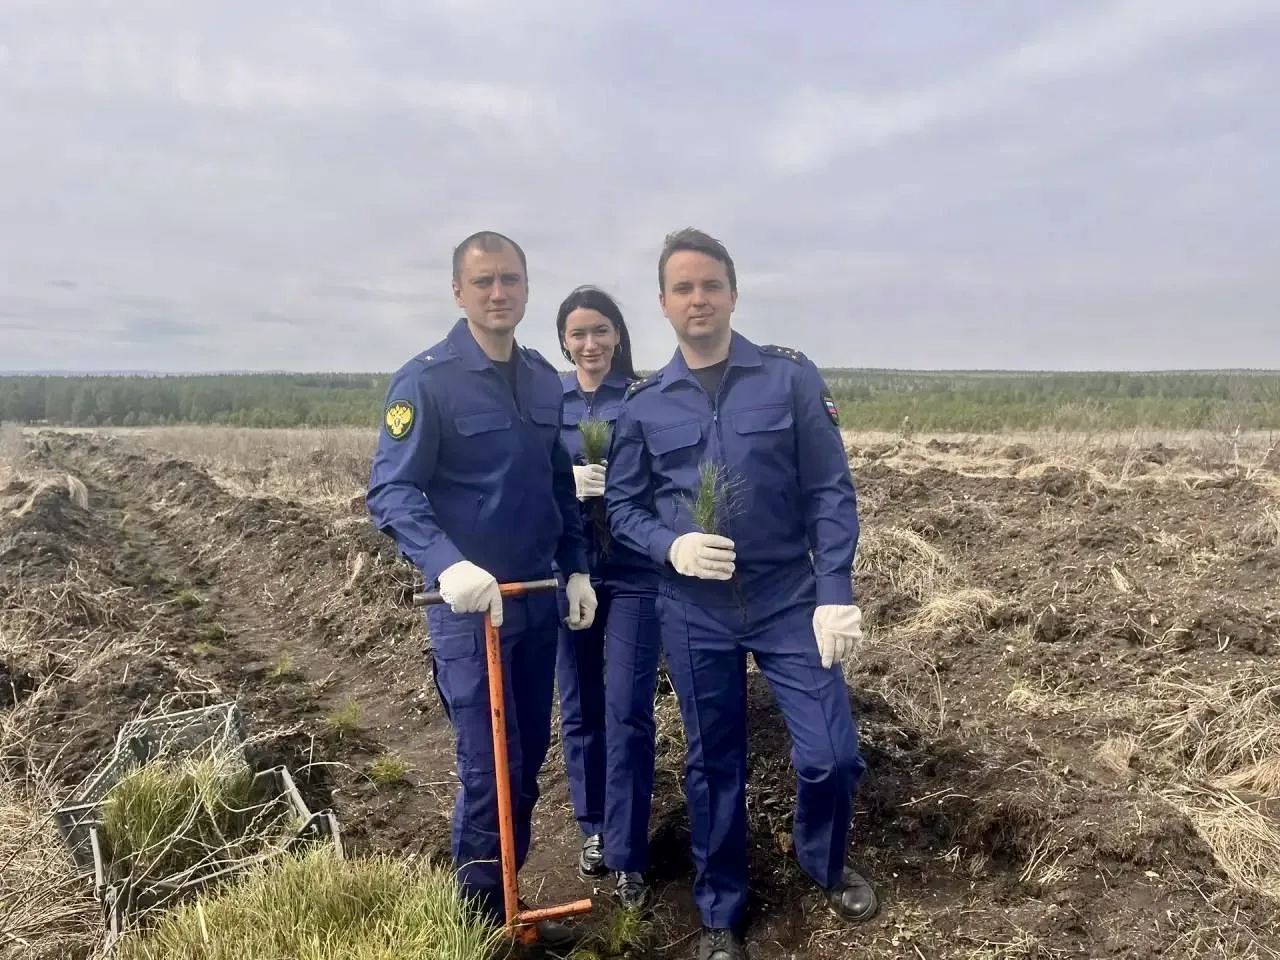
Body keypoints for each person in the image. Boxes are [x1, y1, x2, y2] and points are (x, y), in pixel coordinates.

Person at [604, 228, 874, 960]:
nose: (698, 299)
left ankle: (822, 861)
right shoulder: (645, 404)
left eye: (710, 285)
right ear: (663, 303)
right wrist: (671, 546)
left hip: (788, 598)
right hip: (695, 609)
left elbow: (829, 490)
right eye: (683, 288)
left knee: (831, 756)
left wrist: (834, 590)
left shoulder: (788, 378)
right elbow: (623, 508)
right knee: (713, 761)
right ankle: (720, 910)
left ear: (733, 293)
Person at [366, 230, 598, 947]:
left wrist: (576, 566)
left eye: (510, 280)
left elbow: (556, 485)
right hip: (469, 611)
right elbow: (392, 491)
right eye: (484, 282)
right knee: (489, 770)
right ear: (458, 292)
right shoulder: (426, 382)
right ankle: (477, 927)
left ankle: (507, 905)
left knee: (525, 767)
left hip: (535, 599)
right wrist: (447, 564)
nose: (499, 293)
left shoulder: (541, 379)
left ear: (526, 288)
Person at [552, 285, 662, 912]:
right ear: (564, 341)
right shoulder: (549, 402)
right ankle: (593, 826)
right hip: (571, 569)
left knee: (628, 710)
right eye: (578, 333)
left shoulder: (643, 399)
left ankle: (627, 852)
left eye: (601, 330)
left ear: (618, 335)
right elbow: (532, 477)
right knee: (580, 704)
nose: (590, 343)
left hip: (634, 572)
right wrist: (566, 482)